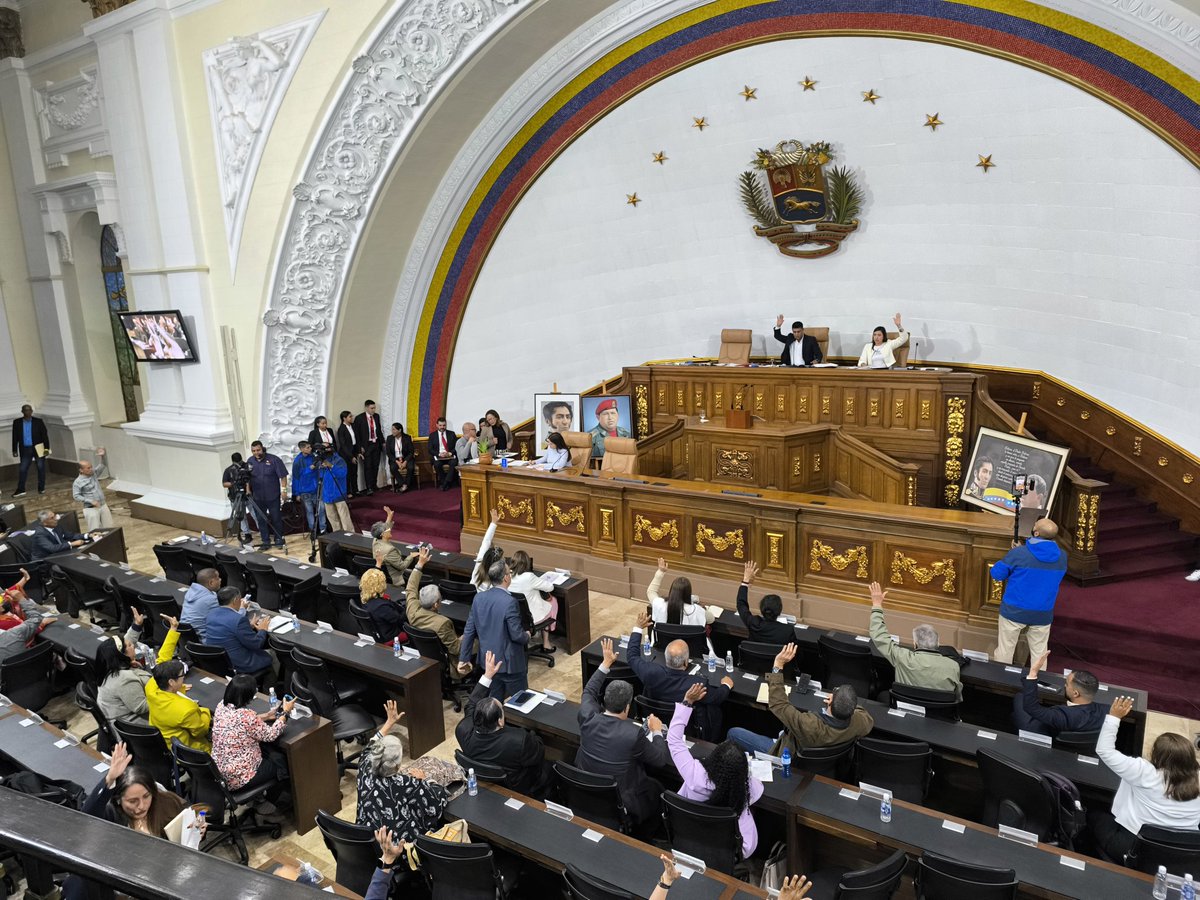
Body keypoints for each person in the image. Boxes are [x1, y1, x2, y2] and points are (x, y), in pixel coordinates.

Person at [1091, 695, 1200, 862]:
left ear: (1156, 755)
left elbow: (1105, 750)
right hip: (1183, 854)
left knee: (1092, 814)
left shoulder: (1144, 771)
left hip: (1135, 847)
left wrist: (1114, 717)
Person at [576, 637, 670, 827]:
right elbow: (660, 759)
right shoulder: (633, 734)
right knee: (658, 788)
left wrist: (605, 663)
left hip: (586, 790)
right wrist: (657, 732)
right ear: (628, 707)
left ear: (605, 701)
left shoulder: (587, 716)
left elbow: (589, 691)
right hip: (620, 798)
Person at [669, 683, 764, 857]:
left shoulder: (695, 774)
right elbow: (747, 849)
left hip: (689, 833)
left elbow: (674, 740)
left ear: (713, 758)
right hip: (726, 852)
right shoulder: (747, 788)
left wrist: (687, 702)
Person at [727, 644, 874, 755]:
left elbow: (778, 704)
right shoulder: (860, 723)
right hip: (821, 764)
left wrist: (777, 666)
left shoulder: (808, 724)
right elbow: (863, 714)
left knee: (734, 733)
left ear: (830, 700)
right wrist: (842, 702)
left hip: (785, 755)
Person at [455, 651, 552, 798]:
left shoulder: (463, 729)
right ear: (500, 721)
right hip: (519, 786)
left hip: (486, 780)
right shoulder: (519, 740)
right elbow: (538, 753)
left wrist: (487, 676)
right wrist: (532, 734)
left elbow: (471, 704)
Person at [628, 611, 732, 741]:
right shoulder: (696, 685)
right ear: (686, 662)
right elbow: (717, 698)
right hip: (687, 732)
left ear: (666, 658)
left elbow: (632, 656)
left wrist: (638, 627)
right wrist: (726, 685)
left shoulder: (650, 673)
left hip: (656, 725)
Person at [358, 699, 454, 837]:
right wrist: (425, 781)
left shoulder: (365, 765)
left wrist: (389, 722)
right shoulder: (408, 783)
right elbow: (436, 805)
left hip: (368, 838)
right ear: (398, 765)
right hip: (399, 844)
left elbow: (372, 743)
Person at [991, 517, 1067, 664]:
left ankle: (1000, 677)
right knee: (1040, 654)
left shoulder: (1019, 554)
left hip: (1014, 610)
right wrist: (1021, 551)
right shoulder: (1062, 556)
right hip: (1042, 612)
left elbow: (997, 574)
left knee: (1005, 651)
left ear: (1036, 533)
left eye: (1035, 525)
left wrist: (1015, 554)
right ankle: (1037, 678)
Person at [211, 674, 293, 810]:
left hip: (220, 772)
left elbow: (242, 723)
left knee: (269, 751)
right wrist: (285, 713)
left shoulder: (221, 706)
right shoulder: (247, 716)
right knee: (280, 762)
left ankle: (261, 798)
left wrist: (267, 715)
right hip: (240, 777)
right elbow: (271, 735)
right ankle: (277, 800)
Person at [457, 546, 529, 698]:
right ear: (506, 578)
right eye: (509, 573)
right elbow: (516, 635)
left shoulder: (478, 598)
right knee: (520, 701)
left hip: (488, 662)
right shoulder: (510, 602)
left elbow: (469, 631)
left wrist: (464, 658)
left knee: (494, 702)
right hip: (510, 664)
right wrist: (527, 635)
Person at [867, 581, 962, 697]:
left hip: (905, 705)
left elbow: (879, 635)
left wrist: (877, 604)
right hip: (939, 708)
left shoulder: (903, 658)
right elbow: (957, 697)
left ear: (915, 643)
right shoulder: (953, 666)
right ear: (938, 643)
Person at [96, 610, 180, 726]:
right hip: (137, 726)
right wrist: (169, 690)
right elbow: (142, 707)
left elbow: (125, 643)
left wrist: (136, 625)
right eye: (130, 646)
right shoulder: (124, 679)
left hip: (125, 717)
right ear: (122, 656)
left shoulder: (110, 665)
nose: (133, 645)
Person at [1013, 650, 1106, 736]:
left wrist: (1033, 672)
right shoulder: (1106, 711)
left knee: (1020, 697)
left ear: (1075, 693)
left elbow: (1031, 708)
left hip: (1042, 734)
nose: (1064, 686)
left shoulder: (1062, 715)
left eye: (1067, 684)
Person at [405, 546, 462, 669]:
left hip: (424, 656)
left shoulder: (412, 611)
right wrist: (467, 634)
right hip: (446, 663)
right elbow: (456, 649)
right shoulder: (443, 623)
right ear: (436, 604)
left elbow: (410, 589)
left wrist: (420, 564)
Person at [204, 586, 275, 683]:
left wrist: (248, 627)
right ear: (235, 600)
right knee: (271, 655)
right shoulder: (239, 619)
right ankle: (270, 688)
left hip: (220, 662)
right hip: (241, 664)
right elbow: (256, 644)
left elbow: (229, 632)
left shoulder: (211, 614)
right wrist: (262, 630)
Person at [146, 658, 212, 751]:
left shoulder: (150, 690)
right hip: (188, 750)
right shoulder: (187, 709)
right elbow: (200, 732)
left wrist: (180, 687)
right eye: (182, 675)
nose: (183, 677)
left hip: (166, 744)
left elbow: (161, 664)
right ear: (171, 682)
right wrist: (205, 712)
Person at [508, 550, 557, 652]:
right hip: (531, 618)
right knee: (553, 601)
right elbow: (550, 587)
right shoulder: (529, 577)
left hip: (515, 617)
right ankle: (546, 642)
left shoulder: (508, 576)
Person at [736, 561, 795, 644]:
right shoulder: (787, 630)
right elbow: (794, 650)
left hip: (754, 653)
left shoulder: (754, 623)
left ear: (762, 609)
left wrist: (746, 580)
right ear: (779, 611)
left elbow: (741, 604)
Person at [246, 440, 288, 550]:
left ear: (263, 449)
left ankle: (279, 539)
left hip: (273, 495)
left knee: (276, 518)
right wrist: (247, 489)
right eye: (253, 451)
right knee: (260, 519)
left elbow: (283, 476)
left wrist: (284, 490)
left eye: (258, 450)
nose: (256, 453)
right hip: (257, 497)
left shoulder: (274, 460)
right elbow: (247, 477)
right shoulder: (250, 461)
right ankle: (265, 541)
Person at [648, 557, 710, 627]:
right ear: (688, 593)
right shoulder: (697, 610)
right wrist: (702, 608)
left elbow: (651, 592)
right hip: (686, 635)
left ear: (672, 591)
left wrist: (661, 571)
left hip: (661, 635)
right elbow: (711, 619)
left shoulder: (660, 604)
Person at [0, 583, 51, 662]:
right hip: (30, 662)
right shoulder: (12, 631)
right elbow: (36, 619)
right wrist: (21, 599)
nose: (4, 599)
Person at [11, 403, 49, 497]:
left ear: (31, 411)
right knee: (23, 468)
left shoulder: (38, 421)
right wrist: (14, 450)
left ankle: (41, 487)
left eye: (29, 410)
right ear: (22, 411)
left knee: (41, 467)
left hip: (38, 448)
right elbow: (14, 437)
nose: (27, 412)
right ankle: (21, 489)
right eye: (25, 410)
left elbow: (44, 435)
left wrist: (46, 448)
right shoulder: (17, 422)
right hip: (25, 449)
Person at [290, 441, 326, 536]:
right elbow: (296, 477)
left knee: (321, 509)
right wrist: (296, 493)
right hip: (305, 491)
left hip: (316, 489)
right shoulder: (297, 461)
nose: (310, 449)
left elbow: (319, 469)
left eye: (310, 447)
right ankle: (313, 531)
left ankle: (323, 529)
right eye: (307, 447)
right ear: (302, 449)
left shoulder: (313, 456)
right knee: (309, 511)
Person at [361, 567, 405, 644]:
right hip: (392, 636)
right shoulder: (382, 607)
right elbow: (400, 620)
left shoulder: (365, 600)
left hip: (380, 633)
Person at [371, 507, 414, 584]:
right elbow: (402, 566)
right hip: (395, 578)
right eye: (388, 530)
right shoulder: (390, 550)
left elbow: (385, 527)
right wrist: (411, 556)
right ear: (383, 534)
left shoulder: (375, 540)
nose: (390, 529)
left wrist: (389, 516)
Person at [179, 567, 222, 640]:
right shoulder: (210, 599)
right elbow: (224, 617)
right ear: (211, 583)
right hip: (202, 640)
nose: (220, 579)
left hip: (185, 639)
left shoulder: (191, 592)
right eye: (218, 578)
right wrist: (241, 609)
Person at [73, 458, 113, 530]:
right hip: (91, 509)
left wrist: (102, 456)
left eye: (91, 467)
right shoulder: (77, 482)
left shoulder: (94, 474)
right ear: (81, 470)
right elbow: (76, 496)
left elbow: (102, 465)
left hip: (103, 505)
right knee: (95, 530)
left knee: (109, 528)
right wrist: (90, 501)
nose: (91, 469)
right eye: (88, 468)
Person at [354, 400, 385, 495]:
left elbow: (378, 430)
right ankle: (369, 487)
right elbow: (357, 434)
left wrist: (383, 442)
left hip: (376, 444)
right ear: (366, 408)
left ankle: (374, 485)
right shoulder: (359, 418)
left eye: (374, 408)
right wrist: (360, 447)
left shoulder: (376, 416)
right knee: (368, 467)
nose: (373, 410)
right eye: (372, 408)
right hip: (366, 446)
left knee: (375, 466)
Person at [222, 452, 254, 544]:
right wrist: (234, 483)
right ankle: (247, 534)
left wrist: (247, 489)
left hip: (248, 496)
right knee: (241, 516)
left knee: (255, 514)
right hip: (235, 496)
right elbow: (224, 483)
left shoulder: (247, 467)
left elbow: (248, 480)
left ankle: (264, 532)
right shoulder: (228, 470)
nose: (239, 464)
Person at [320, 452, 354, 533]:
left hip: (338, 493)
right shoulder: (321, 462)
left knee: (344, 517)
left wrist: (331, 466)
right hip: (327, 494)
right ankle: (337, 535)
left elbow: (342, 473)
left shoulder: (339, 460)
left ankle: (350, 535)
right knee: (332, 518)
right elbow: (320, 477)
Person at [427, 416, 458, 491]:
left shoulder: (452, 434)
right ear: (437, 425)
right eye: (440, 425)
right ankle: (445, 482)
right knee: (437, 464)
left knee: (454, 462)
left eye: (444, 425)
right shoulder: (432, 435)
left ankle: (445, 483)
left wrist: (450, 453)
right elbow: (430, 449)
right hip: (439, 456)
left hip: (449, 456)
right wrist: (439, 454)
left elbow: (456, 447)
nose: (442, 427)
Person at [336, 409, 362, 498]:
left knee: (354, 472)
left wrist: (358, 452)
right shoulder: (341, 429)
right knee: (347, 473)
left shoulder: (353, 426)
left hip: (353, 451)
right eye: (350, 416)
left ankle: (355, 490)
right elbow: (343, 445)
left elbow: (357, 440)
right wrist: (351, 457)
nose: (352, 418)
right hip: (345, 454)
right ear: (344, 418)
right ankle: (347, 492)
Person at [386, 422, 415, 492]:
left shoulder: (407, 437)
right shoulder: (389, 438)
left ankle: (406, 484)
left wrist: (405, 461)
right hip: (395, 459)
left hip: (406, 458)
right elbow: (388, 453)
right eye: (392, 429)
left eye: (394, 429)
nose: (392, 431)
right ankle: (403, 484)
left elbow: (411, 452)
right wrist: (397, 462)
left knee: (411, 467)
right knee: (393, 468)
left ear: (399, 430)